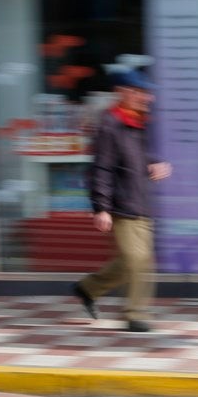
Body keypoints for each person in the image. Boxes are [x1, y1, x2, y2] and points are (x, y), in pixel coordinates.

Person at [71, 69, 172, 333]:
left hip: (140, 201)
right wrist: (101, 207)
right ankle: (135, 314)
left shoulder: (137, 122)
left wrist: (153, 164)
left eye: (146, 93)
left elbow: (138, 156)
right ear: (122, 92)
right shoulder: (110, 124)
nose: (145, 98)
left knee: (132, 262)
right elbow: (101, 168)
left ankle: (88, 288)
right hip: (121, 204)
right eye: (138, 92)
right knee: (139, 260)